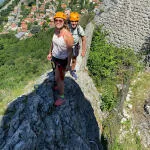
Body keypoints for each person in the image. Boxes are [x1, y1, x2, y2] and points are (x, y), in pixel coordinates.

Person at [47, 12, 74, 106]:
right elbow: (52, 42)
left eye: (60, 20)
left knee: (60, 79)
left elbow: (70, 51)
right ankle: (58, 86)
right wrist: (50, 52)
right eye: (56, 20)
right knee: (56, 75)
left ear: (64, 22)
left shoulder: (68, 36)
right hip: (55, 57)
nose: (58, 22)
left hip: (62, 60)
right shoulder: (56, 30)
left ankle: (62, 97)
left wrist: (68, 64)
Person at [69, 12, 86, 80]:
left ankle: (72, 71)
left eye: (75, 21)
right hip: (68, 46)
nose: (74, 23)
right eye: (72, 21)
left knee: (74, 59)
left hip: (75, 45)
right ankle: (67, 68)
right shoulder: (67, 27)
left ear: (77, 22)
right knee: (67, 58)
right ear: (70, 21)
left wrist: (83, 51)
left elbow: (84, 39)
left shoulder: (79, 29)